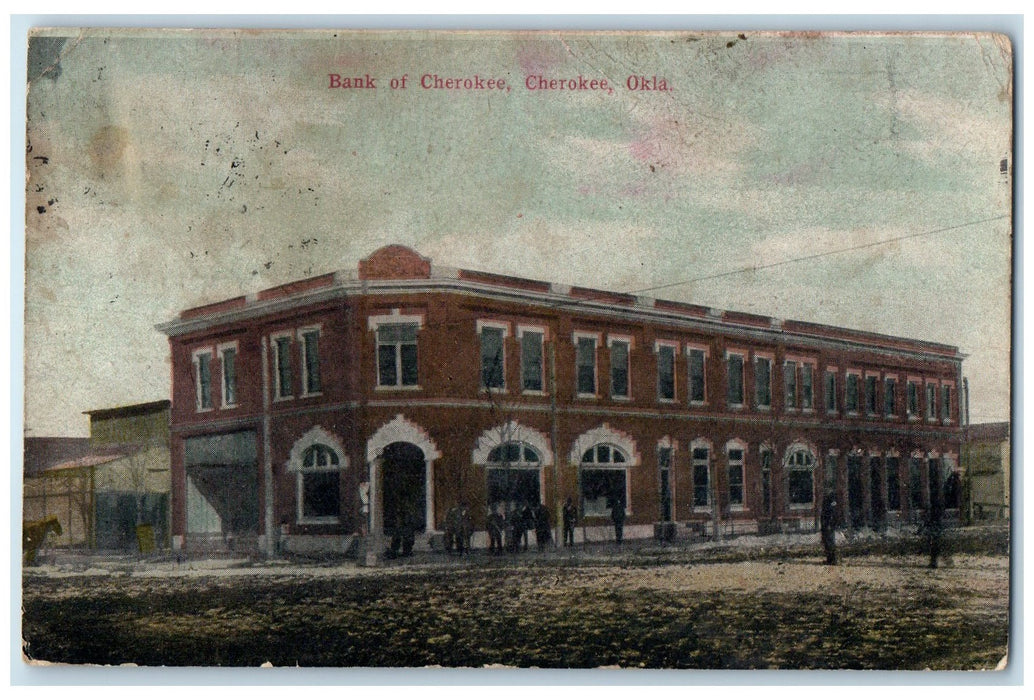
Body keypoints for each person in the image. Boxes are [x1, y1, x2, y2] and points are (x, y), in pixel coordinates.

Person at [820, 494, 838, 565]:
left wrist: (829, 524)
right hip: (826, 524)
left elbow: (831, 514)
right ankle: (829, 559)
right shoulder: (827, 500)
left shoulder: (831, 500)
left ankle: (832, 560)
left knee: (830, 542)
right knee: (827, 542)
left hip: (828, 525)